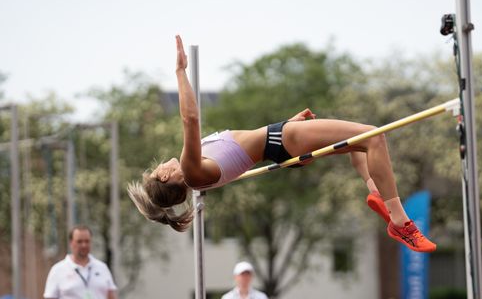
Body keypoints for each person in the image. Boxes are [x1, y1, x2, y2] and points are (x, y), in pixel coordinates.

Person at [127, 35, 436, 253]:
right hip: (282, 141)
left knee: (358, 144)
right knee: (372, 136)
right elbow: (190, 119)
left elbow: (245, 147)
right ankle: (400, 221)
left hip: (280, 138)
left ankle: (376, 192)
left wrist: (288, 123)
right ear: (166, 177)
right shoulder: (193, 173)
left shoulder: (197, 170)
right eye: (159, 169)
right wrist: (181, 72)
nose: (163, 164)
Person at [43, 225, 120, 299]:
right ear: (71, 243)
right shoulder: (58, 270)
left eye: (87, 241)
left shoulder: (102, 268)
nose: (84, 245)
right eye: (79, 241)